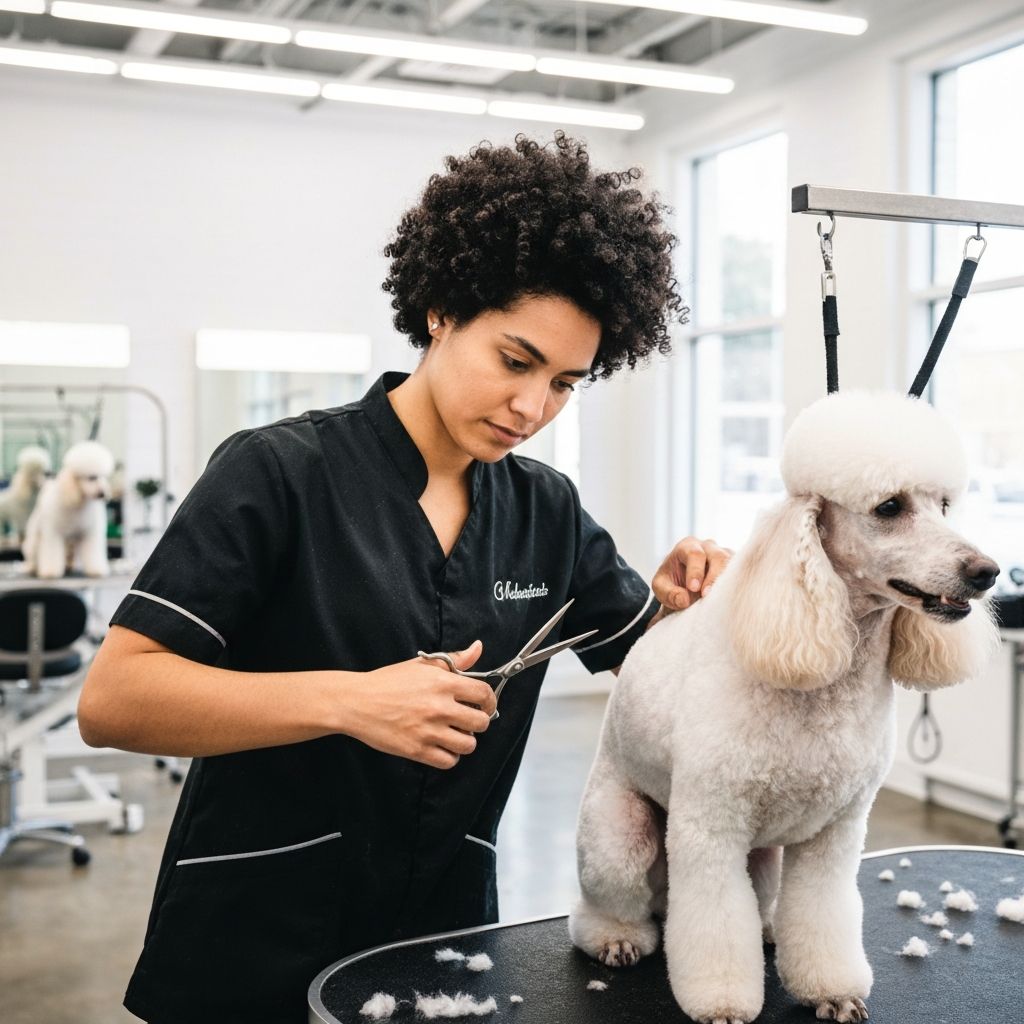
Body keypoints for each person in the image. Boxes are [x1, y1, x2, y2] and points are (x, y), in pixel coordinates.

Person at [77, 132, 731, 1024]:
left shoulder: (547, 511)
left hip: (443, 940)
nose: (532, 408)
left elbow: (661, 671)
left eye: (567, 383)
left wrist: (704, 614)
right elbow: (114, 699)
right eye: (515, 360)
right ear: (439, 309)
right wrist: (349, 702)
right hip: (251, 940)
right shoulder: (280, 472)